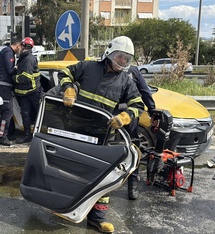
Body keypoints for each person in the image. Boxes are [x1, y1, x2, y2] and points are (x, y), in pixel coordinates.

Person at [57, 36, 144, 233]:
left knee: (102, 176)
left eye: (127, 58)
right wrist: (68, 88)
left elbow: (138, 104)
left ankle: (97, 218)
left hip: (102, 134)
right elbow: (65, 73)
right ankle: (61, 206)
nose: (123, 61)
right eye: (120, 57)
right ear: (110, 53)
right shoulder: (88, 67)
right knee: (70, 170)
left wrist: (125, 116)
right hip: (75, 129)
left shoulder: (125, 80)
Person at [125, 65, 156, 200]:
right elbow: (145, 91)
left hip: (111, 116)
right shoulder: (133, 71)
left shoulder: (104, 68)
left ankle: (131, 186)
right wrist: (152, 110)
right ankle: (132, 187)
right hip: (129, 116)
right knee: (133, 149)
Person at [13, 37, 42, 144]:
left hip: (33, 91)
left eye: (21, 45)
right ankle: (27, 135)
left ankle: (38, 135)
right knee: (25, 114)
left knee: (39, 113)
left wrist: (13, 78)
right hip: (25, 92)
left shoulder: (28, 59)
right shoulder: (23, 58)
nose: (19, 47)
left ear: (24, 46)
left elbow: (25, 78)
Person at [0, 38, 22, 146]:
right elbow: (10, 70)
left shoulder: (7, 51)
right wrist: (18, 67)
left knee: (7, 111)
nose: (20, 50)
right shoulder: (8, 52)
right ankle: (2, 136)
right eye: (21, 47)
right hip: (3, 86)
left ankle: (5, 133)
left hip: (4, 86)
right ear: (17, 45)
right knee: (8, 111)